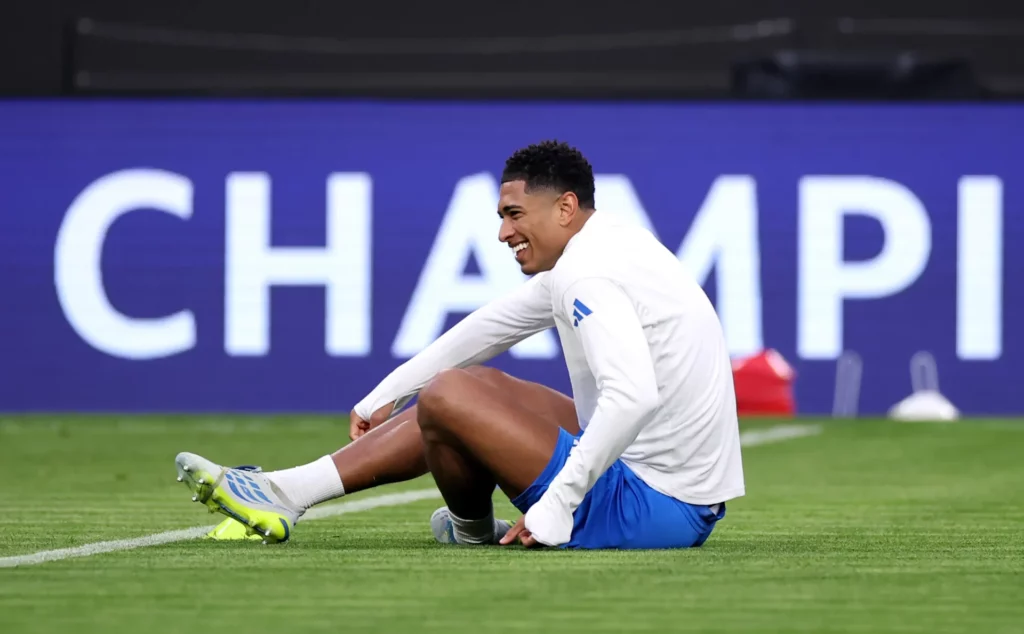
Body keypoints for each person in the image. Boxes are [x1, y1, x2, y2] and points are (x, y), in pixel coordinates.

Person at [174, 140, 745, 549]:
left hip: (654, 509)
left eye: (515, 215)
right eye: (501, 217)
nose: (503, 233)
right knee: (472, 388)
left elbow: (634, 397)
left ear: (565, 207)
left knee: (452, 395)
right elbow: (489, 328)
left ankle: (285, 491)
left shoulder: (586, 273)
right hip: (663, 488)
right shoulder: (607, 245)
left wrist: (557, 504)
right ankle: (466, 529)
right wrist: (385, 394)